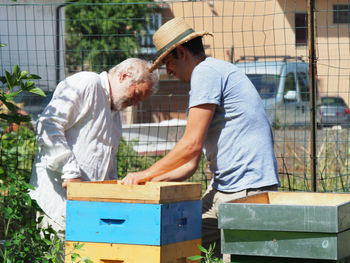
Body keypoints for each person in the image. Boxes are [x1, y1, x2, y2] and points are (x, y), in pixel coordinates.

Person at [121, 18, 280, 260]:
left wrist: (143, 174)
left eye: (167, 63)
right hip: (223, 188)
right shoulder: (211, 76)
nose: (168, 72)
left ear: (181, 52)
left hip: (246, 189)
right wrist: (154, 181)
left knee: (231, 257)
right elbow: (190, 162)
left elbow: (190, 144)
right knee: (180, 244)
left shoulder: (206, 72)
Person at [29, 58, 159, 237]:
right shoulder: (87, 83)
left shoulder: (114, 113)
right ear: (123, 76)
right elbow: (48, 125)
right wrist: (70, 172)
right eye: (136, 94)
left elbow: (106, 163)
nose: (135, 103)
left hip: (88, 213)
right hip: (58, 207)